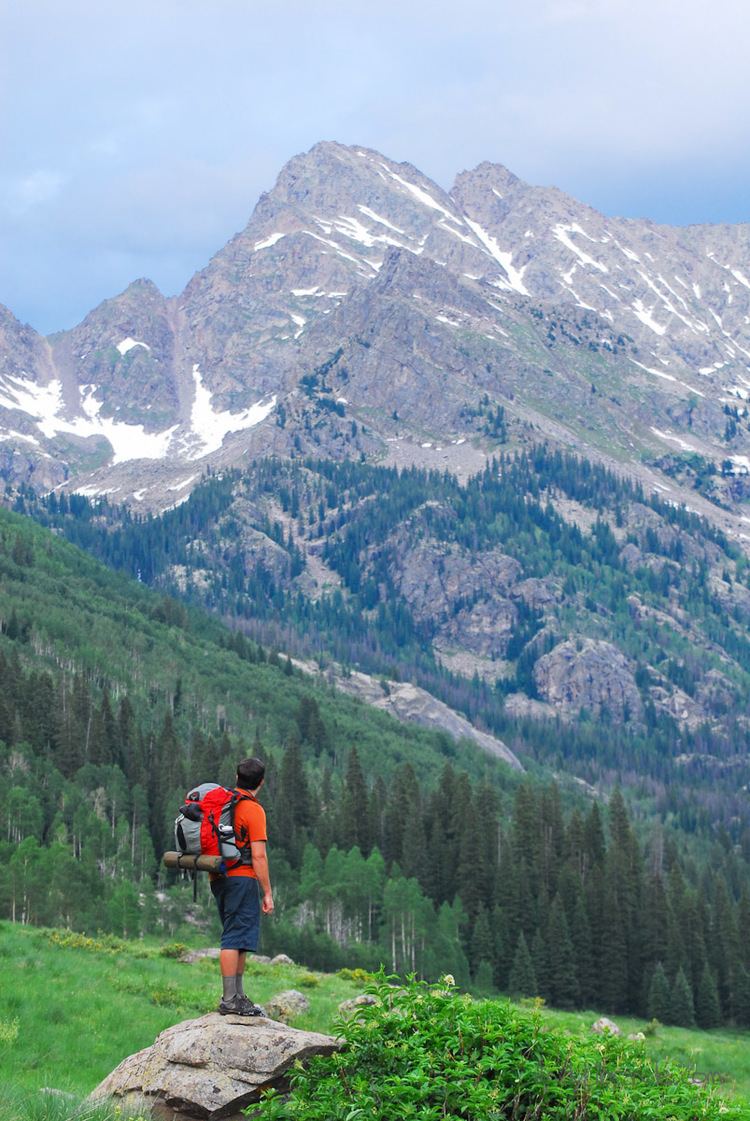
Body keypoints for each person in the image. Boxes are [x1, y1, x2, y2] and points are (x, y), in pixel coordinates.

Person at [211, 756, 274, 1016]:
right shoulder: (253, 810)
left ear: (237, 778)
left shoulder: (222, 802)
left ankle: (237, 995)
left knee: (239, 937)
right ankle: (229, 999)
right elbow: (258, 855)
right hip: (242, 877)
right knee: (234, 938)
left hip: (218, 877)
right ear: (261, 782)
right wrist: (267, 892)